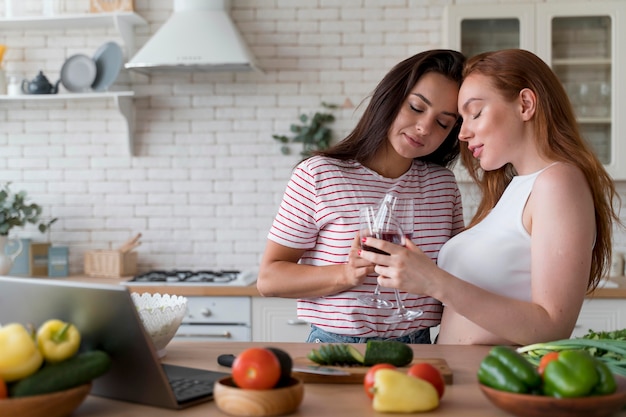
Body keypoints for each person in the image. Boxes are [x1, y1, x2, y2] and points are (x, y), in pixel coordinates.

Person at [359, 48, 621, 346]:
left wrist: (433, 280)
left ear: (525, 104)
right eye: (461, 119)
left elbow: (552, 327)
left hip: (493, 384)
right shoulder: (516, 188)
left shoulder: (558, 182)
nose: (462, 133)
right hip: (460, 376)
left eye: (476, 113)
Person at [257, 49, 466, 344]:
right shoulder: (319, 175)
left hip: (421, 347)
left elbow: (456, 280)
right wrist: (345, 274)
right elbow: (269, 280)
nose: (424, 127)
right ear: (391, 98)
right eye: (416, 107)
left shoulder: (442, 185)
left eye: (443, 123)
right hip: (338, 346)